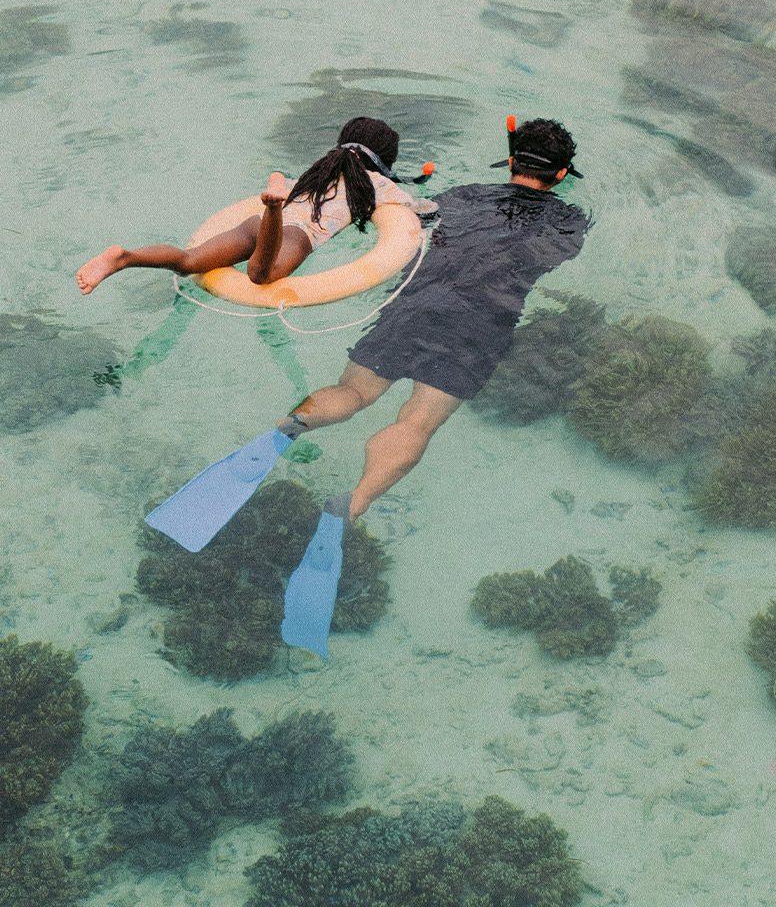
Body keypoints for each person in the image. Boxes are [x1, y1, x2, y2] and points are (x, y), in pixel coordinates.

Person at [145, 117, 590, 659]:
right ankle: (350, 505)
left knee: (352, 394)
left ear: (511, 160)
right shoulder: (568, 222)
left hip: (413, 308)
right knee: (415, 422)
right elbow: (547, 260)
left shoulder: (461, 197)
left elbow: (407, 228)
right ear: (563, 174)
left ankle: (285, 432)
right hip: (479, 325)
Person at [75, 117, 434, 295]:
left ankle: (124, 257)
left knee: (189, 261)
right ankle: (274, 208)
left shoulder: (318, 171)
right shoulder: (378, 184)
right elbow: (420, 210)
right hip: (296, 232)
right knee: (261, 276)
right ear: (384, 162)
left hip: (254, 221)